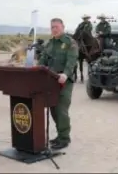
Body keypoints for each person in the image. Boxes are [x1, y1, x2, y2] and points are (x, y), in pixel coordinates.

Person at [38, 18, 78, 150]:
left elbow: (71, 61)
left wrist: (66, 74)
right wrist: (37, 68)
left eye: (56, 27)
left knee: (61, 109)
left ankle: (65, 138)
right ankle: (60, 135)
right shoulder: (49, 43)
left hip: (64, 81)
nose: (54, 29)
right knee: (53, 109)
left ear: (63, 27)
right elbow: (43, 60)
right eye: (52, 27)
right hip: (51, 81)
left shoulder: (70, 43)